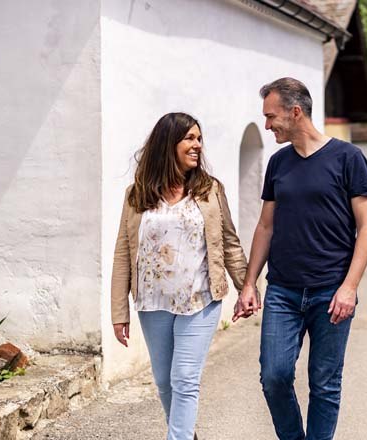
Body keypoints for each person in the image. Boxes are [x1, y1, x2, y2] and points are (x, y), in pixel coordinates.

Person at [234, 78, 367, 440]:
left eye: (271, 116)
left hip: (332, 291)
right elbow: (265, 226)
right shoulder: (279, 163)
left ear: (295, 112)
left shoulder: (348, 158)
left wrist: (349, 287)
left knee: (325, 383)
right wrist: (250, 283)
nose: (267, 125)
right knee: (274, 375)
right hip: (283, 290)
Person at [111, 112, 247, 440]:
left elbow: (228, 241)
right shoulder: (137, 194)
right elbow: (123, 253)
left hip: (200, 298)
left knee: (185, 379)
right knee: (164, 382)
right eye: (190, 138)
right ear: (167, 144)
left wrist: (248, 288)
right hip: (152, 301)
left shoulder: (209, 190)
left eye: (199, 138)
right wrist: (119, 312)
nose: (197, 145)